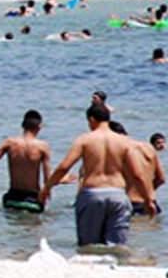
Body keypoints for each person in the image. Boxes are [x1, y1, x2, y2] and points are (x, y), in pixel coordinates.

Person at [40, 103, 156, 247]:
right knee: (118, 247)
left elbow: (64, 167)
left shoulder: (84, 140)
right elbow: (137, 175)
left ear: (91, 119)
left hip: (92, 194)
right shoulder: (124, 142)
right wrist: (148, 200)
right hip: (118, 195)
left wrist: (47, 188)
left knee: (88, 246)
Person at [109, 122, 165, 216]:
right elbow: (161, 179)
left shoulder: (119, 151)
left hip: (131, 205)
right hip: (153, 205)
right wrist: (147, 193)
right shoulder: (148, 148)